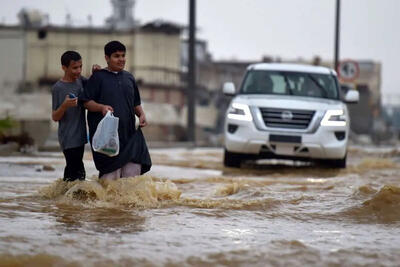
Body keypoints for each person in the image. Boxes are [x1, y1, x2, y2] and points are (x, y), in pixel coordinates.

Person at [82, 40, 152, 180]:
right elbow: (86, 102)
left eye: (123, 55)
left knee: (131, 182)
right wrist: (101, 107)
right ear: (107, 58)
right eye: (116, 56)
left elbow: (135, 103)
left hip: (129, 136)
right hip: (107, 138)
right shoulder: (98, 77)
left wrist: (142, 114)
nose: (121, 59)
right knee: (110, 183)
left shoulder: (129, 78)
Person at [51, 51, 87, 182]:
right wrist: (64, 106)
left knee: (71, 174)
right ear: (64, 68)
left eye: (80, 67)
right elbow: (55, 117)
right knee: (79, 175)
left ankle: (61, 200)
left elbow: (96, 86)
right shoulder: (58, 88)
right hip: (68, 138)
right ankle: (74, 200)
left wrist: (97, 71)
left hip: (80, 137)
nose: (78, 71)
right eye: (75, 68)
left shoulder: (81, 81)